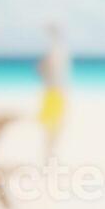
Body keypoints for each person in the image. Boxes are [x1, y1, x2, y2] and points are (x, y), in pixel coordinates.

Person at [38, 21, 72, 160]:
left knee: (53, 126)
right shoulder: (59, 51)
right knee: (54, 126)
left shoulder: (55, 51)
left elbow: (44, 70)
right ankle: (50, 155)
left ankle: (50, 155)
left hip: (54, 93)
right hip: (55, 92)